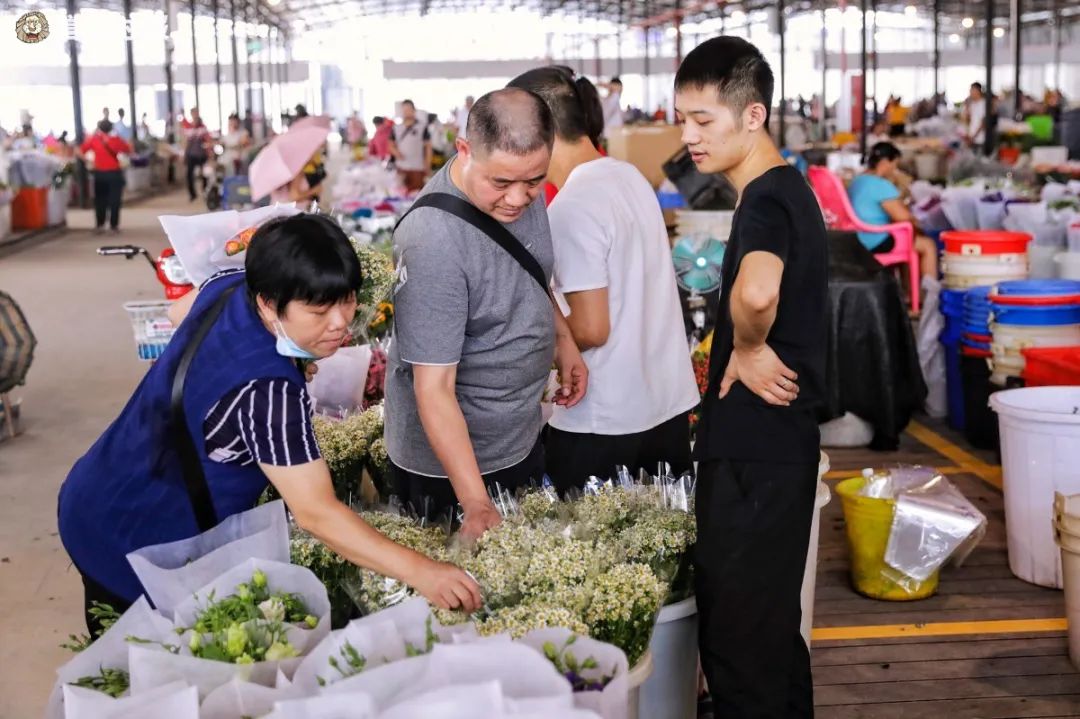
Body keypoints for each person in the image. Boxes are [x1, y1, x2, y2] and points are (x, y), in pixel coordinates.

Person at [58, 214, 483, 634]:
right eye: (319, 309)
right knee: (136, 675)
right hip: (127, 537)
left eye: (348, 299)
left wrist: (290, 352)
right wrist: (425, 572)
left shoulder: (227, 287)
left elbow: (177, 312)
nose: (340, 323)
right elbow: (317, 513)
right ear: (268, 302)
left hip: (103, 480)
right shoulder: (269, 395)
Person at [675, 37, 828, 718]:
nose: (688, 137)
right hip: (776, 448)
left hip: (753, 456)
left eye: (703, 121)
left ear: (753, 115)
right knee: (769, 636)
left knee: (740, 642)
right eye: (682, 119)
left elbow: (759, 290)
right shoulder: (787, 188)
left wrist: (746, 342)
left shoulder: (765, 199)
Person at [385, 88, 588, 537]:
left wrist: (564, 340)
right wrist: (475, 504)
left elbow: (532, 274)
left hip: (519, 436)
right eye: (501, 183)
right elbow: (434, 389)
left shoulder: (519, 193)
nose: (517, 199)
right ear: (464, 150)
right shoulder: (432, 241)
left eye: (534, 181)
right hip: (455, 473)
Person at [509, 66, 699, 494]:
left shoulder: (574, 205)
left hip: (604, 419)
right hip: (662, 405)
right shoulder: (627, 176)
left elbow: (592, 328)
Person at [848, 141, 939, 280]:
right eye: (895, 164)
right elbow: (903, 217)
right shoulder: (880, 185)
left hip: (857, 237)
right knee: (928, 245)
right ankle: (928, 296)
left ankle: (910, 293)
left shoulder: (858, 181)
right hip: (874, 239)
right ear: (885, 162)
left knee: (909, 240)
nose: (894, 169)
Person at [78, 119, 131, 235]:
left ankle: (100, 225)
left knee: (100, 200)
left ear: (99, 128)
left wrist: (88, 161)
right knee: (115, 200)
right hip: (114, 174)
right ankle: (114, 225)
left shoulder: (94, 139)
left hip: (99, 174)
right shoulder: (116, 139)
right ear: (111, 128)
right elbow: (128, 150)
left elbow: (79, 150)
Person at [388, 100, 432, 192]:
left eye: (408, 109)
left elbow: (428, 147)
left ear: (414, 110)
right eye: (404, 110)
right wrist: (396, 153)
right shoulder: (396, 128)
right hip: (401, 169)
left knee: (416, 195)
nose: (406, 112)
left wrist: (427, 165)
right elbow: (390, 145)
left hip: (417, 168)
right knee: (400, 195)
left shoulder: (422, 127)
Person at [184, 107, 211, 202]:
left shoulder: (203, 127)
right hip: (191, 154)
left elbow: (208, 140)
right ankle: (192, 194)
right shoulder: (187, 127)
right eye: (193, 113)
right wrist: (184, 154)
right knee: (189, 175)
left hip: (202, 154)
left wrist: (209, 153)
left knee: (204, 174)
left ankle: (205, 191)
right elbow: (185, 142)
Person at [965, 82, 987, 151]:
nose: (970, 92)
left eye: (971, 90)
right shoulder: (972, 103)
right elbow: (969, 119)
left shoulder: (983, 104)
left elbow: (983, 123)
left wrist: (973, 137)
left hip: (980, 139)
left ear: (977, 90)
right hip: (972, 138)